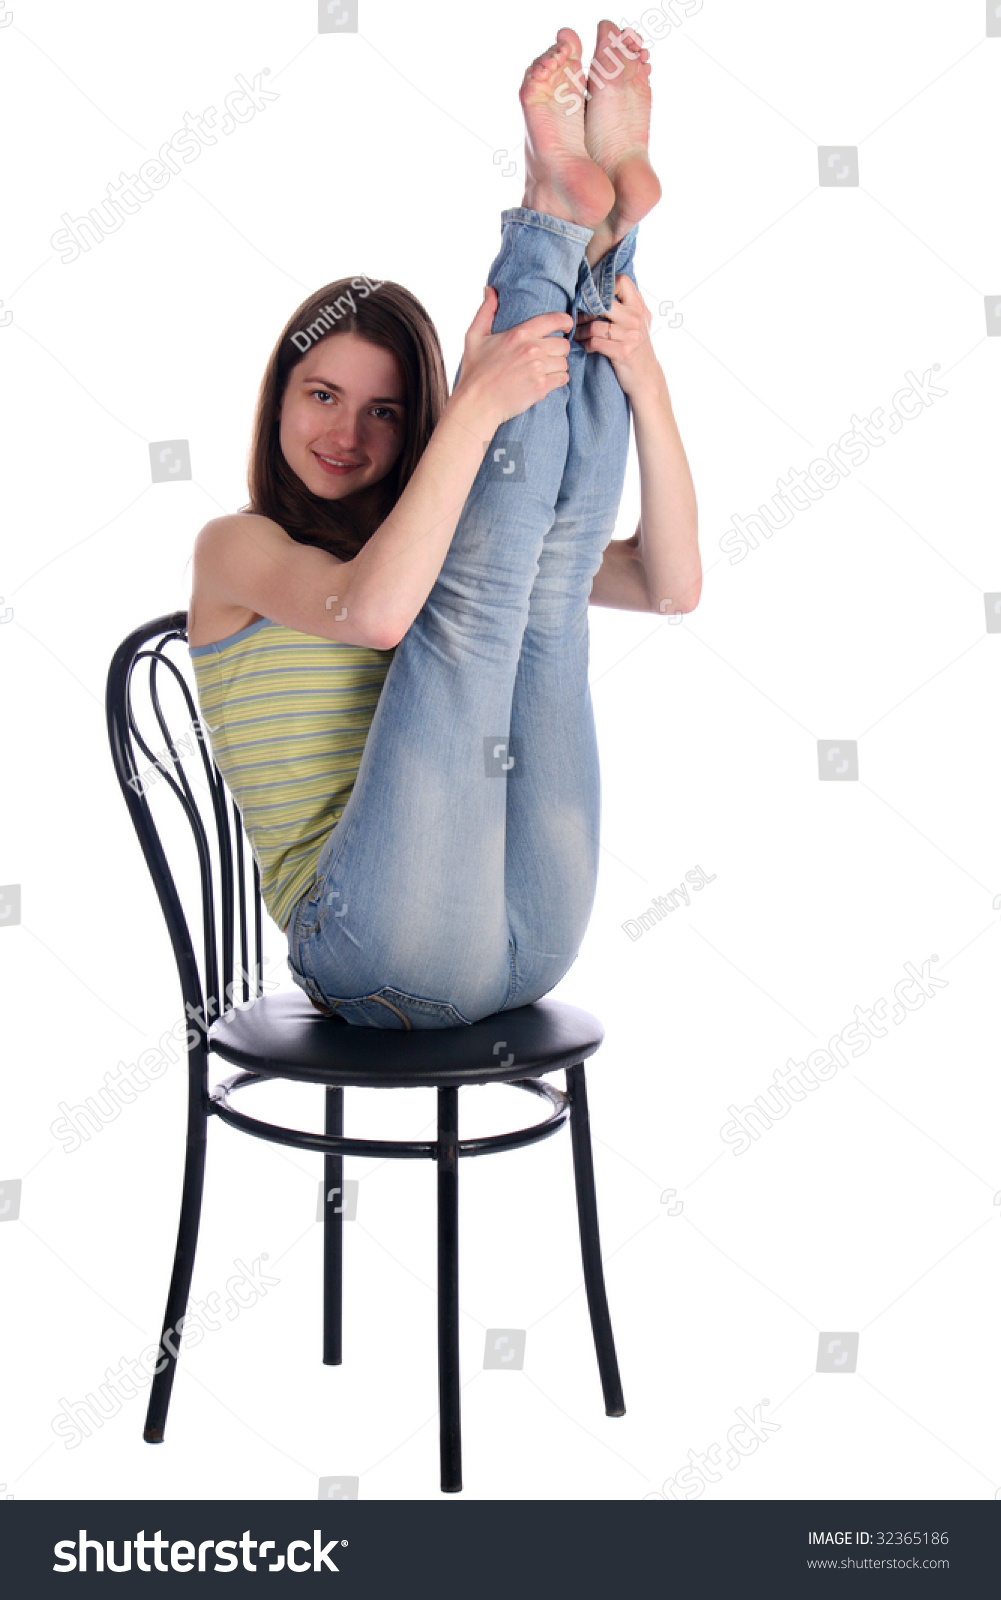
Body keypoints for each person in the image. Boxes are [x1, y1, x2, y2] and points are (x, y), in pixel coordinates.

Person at [187, 21, 700, 1031]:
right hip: (370, 949)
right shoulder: (234, 550)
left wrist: (642, 376)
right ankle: (560, 224)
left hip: (527, 934)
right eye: (322, 395)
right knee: (481, 606)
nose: (345, 433)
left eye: (384, 410)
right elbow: (377, 615)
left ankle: (594, 244)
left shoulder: (441, 535)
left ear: (411, 420)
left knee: (542, 593)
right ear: (276, 400)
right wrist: (473, 404)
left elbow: (670, 586)